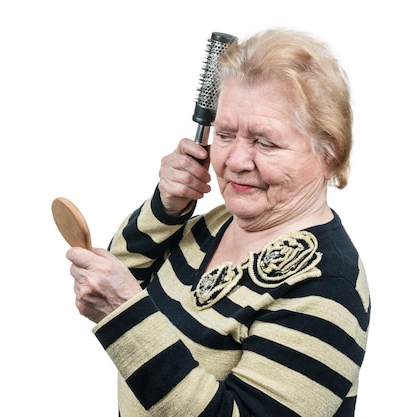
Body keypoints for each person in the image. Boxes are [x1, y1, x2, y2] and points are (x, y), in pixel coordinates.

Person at [65, 28, 370, 417]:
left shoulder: (327, 285)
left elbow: (129, 312)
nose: (236, 161)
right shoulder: (218, 222)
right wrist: (167, 208)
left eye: (265, 142)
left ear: (329, 151)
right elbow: (127, 278)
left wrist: (124, 310)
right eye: (226, 134)